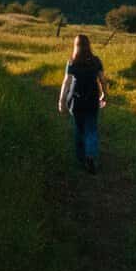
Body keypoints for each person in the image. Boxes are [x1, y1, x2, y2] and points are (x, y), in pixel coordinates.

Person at [57, 33, 108, 173]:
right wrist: (104, 94)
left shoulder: (72, 62)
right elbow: (102, 80)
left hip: (76, 99)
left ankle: (80, 158)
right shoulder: (96, 61)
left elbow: (66, 82)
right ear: (88, 45)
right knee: (91, 129)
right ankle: (90, 157)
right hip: (92, 99)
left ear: (76, 46)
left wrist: (61, 101)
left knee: (79, 129)